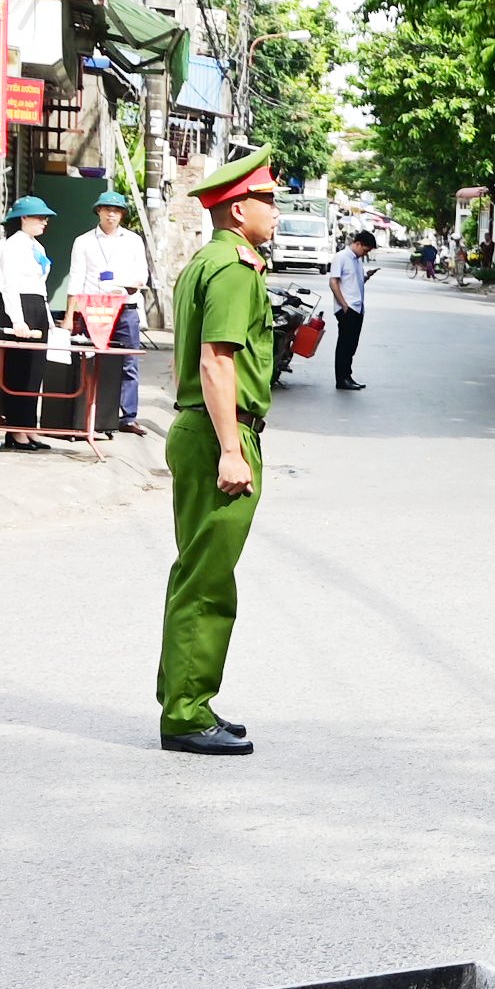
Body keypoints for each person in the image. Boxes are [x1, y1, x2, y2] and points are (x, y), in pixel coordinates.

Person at [157, 151, 282, 758]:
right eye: (268, 201)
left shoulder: (205, 262)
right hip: (218, 433)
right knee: (206, 579)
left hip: (200, 428)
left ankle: (187, 701)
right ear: (237, 210)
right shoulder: (234, 268)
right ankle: (185, 714)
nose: (276, 213)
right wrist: (233, 449)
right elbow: (215, 361)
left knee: (198, 572)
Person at [66, 190, 151, 437]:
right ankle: (92, 414)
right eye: (106, 210)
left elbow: (142, 273)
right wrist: (70, 316)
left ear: (122, 214)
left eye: (116, 211)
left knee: (128, 362)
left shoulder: (133, 240)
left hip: (125, 307)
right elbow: (76, 278)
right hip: (95, 308)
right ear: (99, 212)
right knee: (93, 361)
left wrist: (131, 284)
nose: (111, 215)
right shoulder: (84, 241)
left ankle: (128, 416)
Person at [0, 196, 58, 451]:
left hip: (36, 306)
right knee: (16, 369)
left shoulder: (37, 247)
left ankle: (28, 425)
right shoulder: (12, 245)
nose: (44, 222)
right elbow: (10, 285)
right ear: (23, 218)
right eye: (39, 217)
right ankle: (14, 429)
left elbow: (41, 287)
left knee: (34, 371)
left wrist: (47, 318)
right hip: (15, 306)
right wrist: (18, 320)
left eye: (45, 218)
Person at [328, 229, 376, 391]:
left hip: (358, 307)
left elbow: (354, 282)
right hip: (347, 308)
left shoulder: (357, 260)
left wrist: (366, 276)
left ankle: (347, 376)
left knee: (352, 345)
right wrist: (344, 305)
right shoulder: (341, 257)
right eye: (365, 250)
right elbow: (333, 282)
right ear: (358, 244)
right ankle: (341, 379)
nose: (365, 254)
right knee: (344, 344)